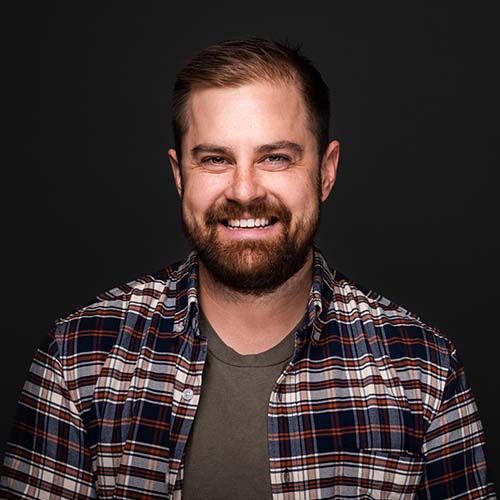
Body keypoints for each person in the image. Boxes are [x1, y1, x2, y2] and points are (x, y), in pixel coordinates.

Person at [0, 38, 495, 500]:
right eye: (215, 159)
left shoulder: (424, 370)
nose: (243, 190)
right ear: (179, 176)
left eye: (275, 158)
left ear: (326, 171)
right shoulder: (79, 356)